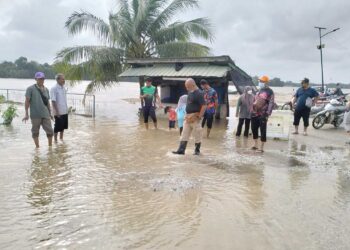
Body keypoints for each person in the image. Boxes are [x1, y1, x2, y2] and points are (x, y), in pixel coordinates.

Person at [173, 78, 206, 155]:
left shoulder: (199, 93)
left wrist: (199, 117)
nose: (187, 88)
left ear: (193, 85)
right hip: (187, 117)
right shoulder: (190, 92)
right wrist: (186, 115)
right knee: (184, 133)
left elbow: (204, 106)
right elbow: (189, 104)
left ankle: (197, 151)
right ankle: (181, 150)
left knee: (197, 134)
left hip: (195, 117)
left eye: (188, 86)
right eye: (186, 86)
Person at [22, 72, 54, 148]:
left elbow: (47, 102)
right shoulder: (30, 89)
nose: (41, 80)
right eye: (39, 78)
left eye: (42, 78)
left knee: (50, 131)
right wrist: (26, 114)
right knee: (35, 132)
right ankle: (37, 148)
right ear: (35, 79)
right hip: (35, 115)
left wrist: (50, 113)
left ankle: (50, 147)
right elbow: (27, 101)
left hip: (45, 114)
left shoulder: (46, 89)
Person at [251, 75, 275, 152]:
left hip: (263, 114)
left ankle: (262, 147)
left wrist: (268, 113)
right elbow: (254, 100)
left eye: (261, 81)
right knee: (254, 129)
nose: (260, 82)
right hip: (254, 113)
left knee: (263, 130)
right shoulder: (259, 90)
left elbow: (271, 103)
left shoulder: (270, 92)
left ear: (266, 82)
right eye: (260, 81)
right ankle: (255, 144)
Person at [50, 73, 68, 142]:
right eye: (62, 79)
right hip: (58, 112)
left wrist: (66, 110)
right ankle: (55, 141)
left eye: (64, 79)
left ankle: (61, 139)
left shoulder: (63, 88)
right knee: (57, 127)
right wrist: (57, 112)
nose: (64, 80)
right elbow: (53, 101)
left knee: (63, 127)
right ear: (58, 80)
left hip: (64, 111)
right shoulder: (54, 88)